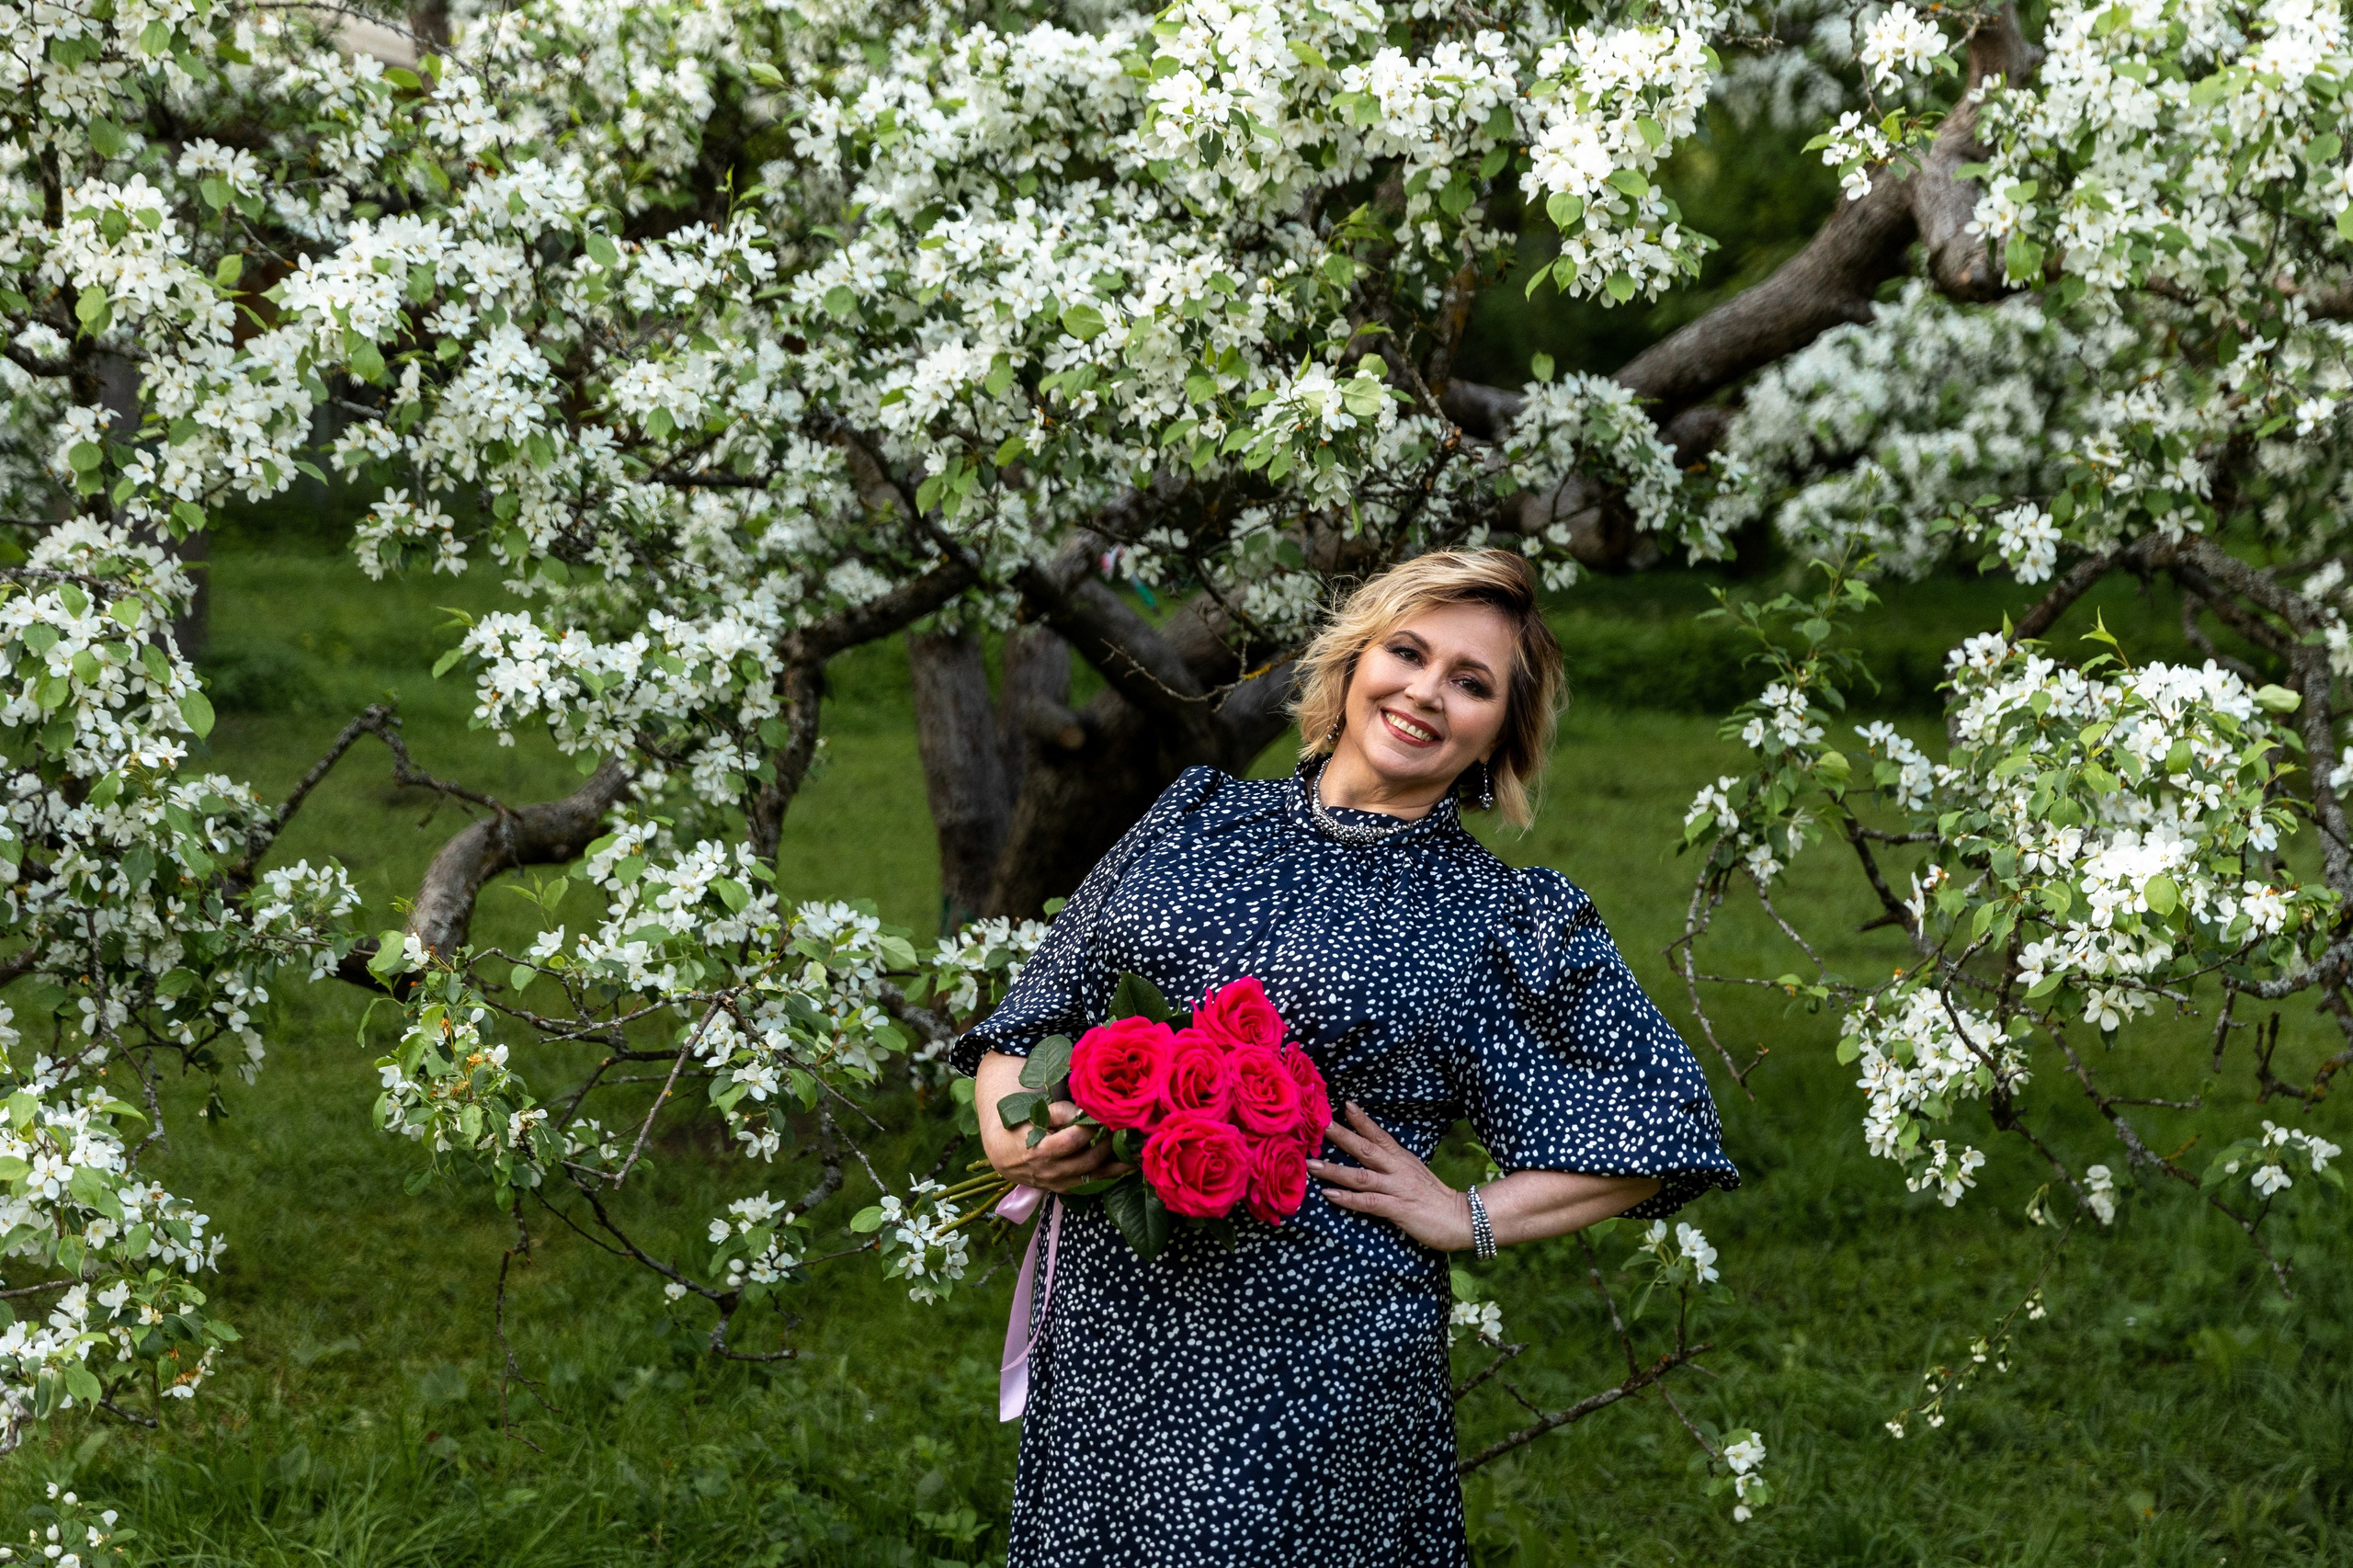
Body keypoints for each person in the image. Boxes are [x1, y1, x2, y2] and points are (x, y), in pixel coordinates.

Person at [954, 549, 1738, 1566]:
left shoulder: (1497, 916)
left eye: (1471, 682)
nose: (1424, 691)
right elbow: (1032, 1016)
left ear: (1500, 732)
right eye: (1405, 652)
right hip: (1114, 1321)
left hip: (1313, 1353)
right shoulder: (1194, 814)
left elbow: (1666, 1119)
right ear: (1351, 658)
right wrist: (1015, 1135)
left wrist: (1468, 1215)